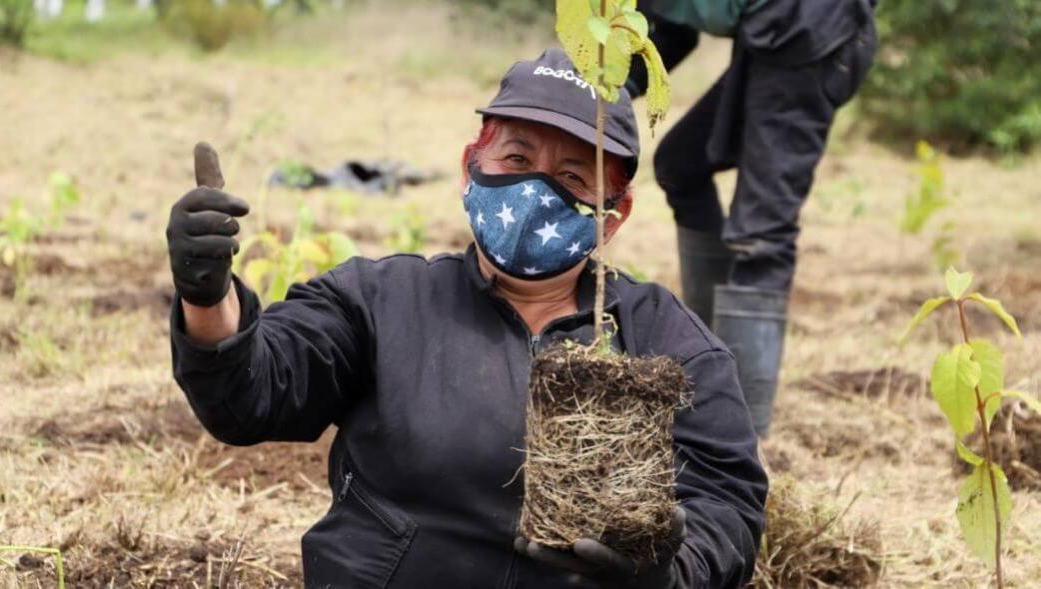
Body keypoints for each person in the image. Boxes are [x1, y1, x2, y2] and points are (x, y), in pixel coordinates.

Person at [167, 48, 767, 588]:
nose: (535, 188)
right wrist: (207, 293)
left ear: (612, 215)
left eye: (572, 177)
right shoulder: (380, 301)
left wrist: (667, 574)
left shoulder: (667, 343)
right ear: (470, 168)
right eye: (516, 156)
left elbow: (727, 503)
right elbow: (252, 396)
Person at [625, 0, 878, 437]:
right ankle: (708, 363)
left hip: (808, 29)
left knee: (762, 236)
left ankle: (736, 438)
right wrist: (610, 84)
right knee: (681, 165)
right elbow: (668, 31)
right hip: (767, 34)